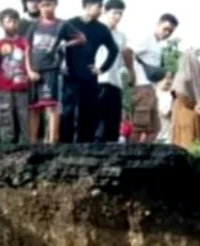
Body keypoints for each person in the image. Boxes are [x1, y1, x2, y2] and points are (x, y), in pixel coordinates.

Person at [27, 0, 83, 145]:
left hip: (52, 70)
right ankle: (33, 142)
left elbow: (81, 38)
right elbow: (27, 48)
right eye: (43, 5)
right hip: (34, 70)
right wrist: (29, 69)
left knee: (51, 106)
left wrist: (66, 43)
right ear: (39, 7)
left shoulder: (62, 25)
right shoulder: (34, 25)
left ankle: (52, 140)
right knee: (34, 108)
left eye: (49, 4)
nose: (46, 8)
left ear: (55, 5)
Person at [60, 0, 117, 143]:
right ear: (87, 6)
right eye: (98, 7)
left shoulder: (101, 29)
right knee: (68, 110)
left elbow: (114, 50)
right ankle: (65, 143)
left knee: (88, 110)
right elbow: (57, 46)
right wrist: (61, 64)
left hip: (89, 74)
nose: (101, 10)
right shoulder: (69, 24)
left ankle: (84, 143)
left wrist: (101, 69)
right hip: (70, 74)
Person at [129, 13, 178, 143]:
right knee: (140, 126)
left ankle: (143, 156)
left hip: (151, 88)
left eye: (170, 31)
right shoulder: (146, 38)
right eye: (165, 29)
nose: (167, 33)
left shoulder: (157, 44)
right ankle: (130, 155)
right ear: (158, 24)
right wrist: (132, 74)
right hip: (141, 87)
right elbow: (127, 52)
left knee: (154, 127)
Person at [94, 0, 133, 142]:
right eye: (115, 13)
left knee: (112, 125)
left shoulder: (121, 37)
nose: (117, 17)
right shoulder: (94, 30)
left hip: (115, 83)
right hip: (97, 81)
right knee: (96, 125)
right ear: (105, 12)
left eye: (120, 14)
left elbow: (122, 61)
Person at [0, 8, 30, 144]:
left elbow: (28, 61)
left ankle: (26, 145)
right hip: (4, 87)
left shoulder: (24, 42)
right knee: (6, 116)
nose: (12, 24)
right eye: (8, 21)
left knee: (24, 116)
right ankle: (7, 146)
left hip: (22, 86)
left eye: (15, 21)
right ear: (2, 24)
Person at [170, 49, 200, 149]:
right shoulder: (198, 76)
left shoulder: (181, 76)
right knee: (193, 140)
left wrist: (192, 105)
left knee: (182, 140)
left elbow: (178, 93)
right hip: (195, 111)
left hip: (183, 110)